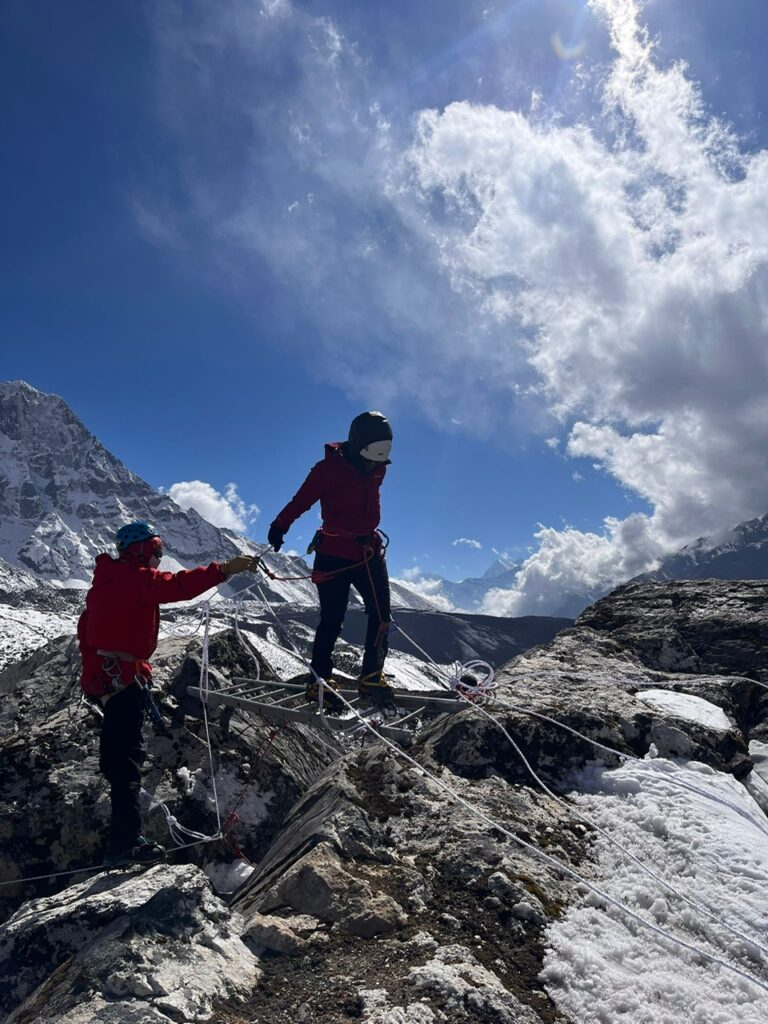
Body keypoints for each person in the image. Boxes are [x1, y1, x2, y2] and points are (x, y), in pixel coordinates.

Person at [78, 521, 260, 868]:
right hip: (124, 683)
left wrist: (97, 674)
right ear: (142, 549)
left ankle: (122, 840)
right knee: (127, 763)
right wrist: (223, 570)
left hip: (106, 681)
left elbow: (86, 631)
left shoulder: (102, 582)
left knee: (116, 758)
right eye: (157, 551)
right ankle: (123, 847)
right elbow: (180, 586)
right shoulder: (138, 579)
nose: (160, 558)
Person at [267, 411, 395, 711]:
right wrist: (280, 525)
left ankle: (371, 675)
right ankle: (319, 680)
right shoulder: (328, 469)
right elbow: (302, 500)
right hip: (334, 553)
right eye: (368, 459)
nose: (372, 465)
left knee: (382, 616)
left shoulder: (377, 466)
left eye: (377, 461)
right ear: (358, 445)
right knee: (332, 619)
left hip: (367, 551)